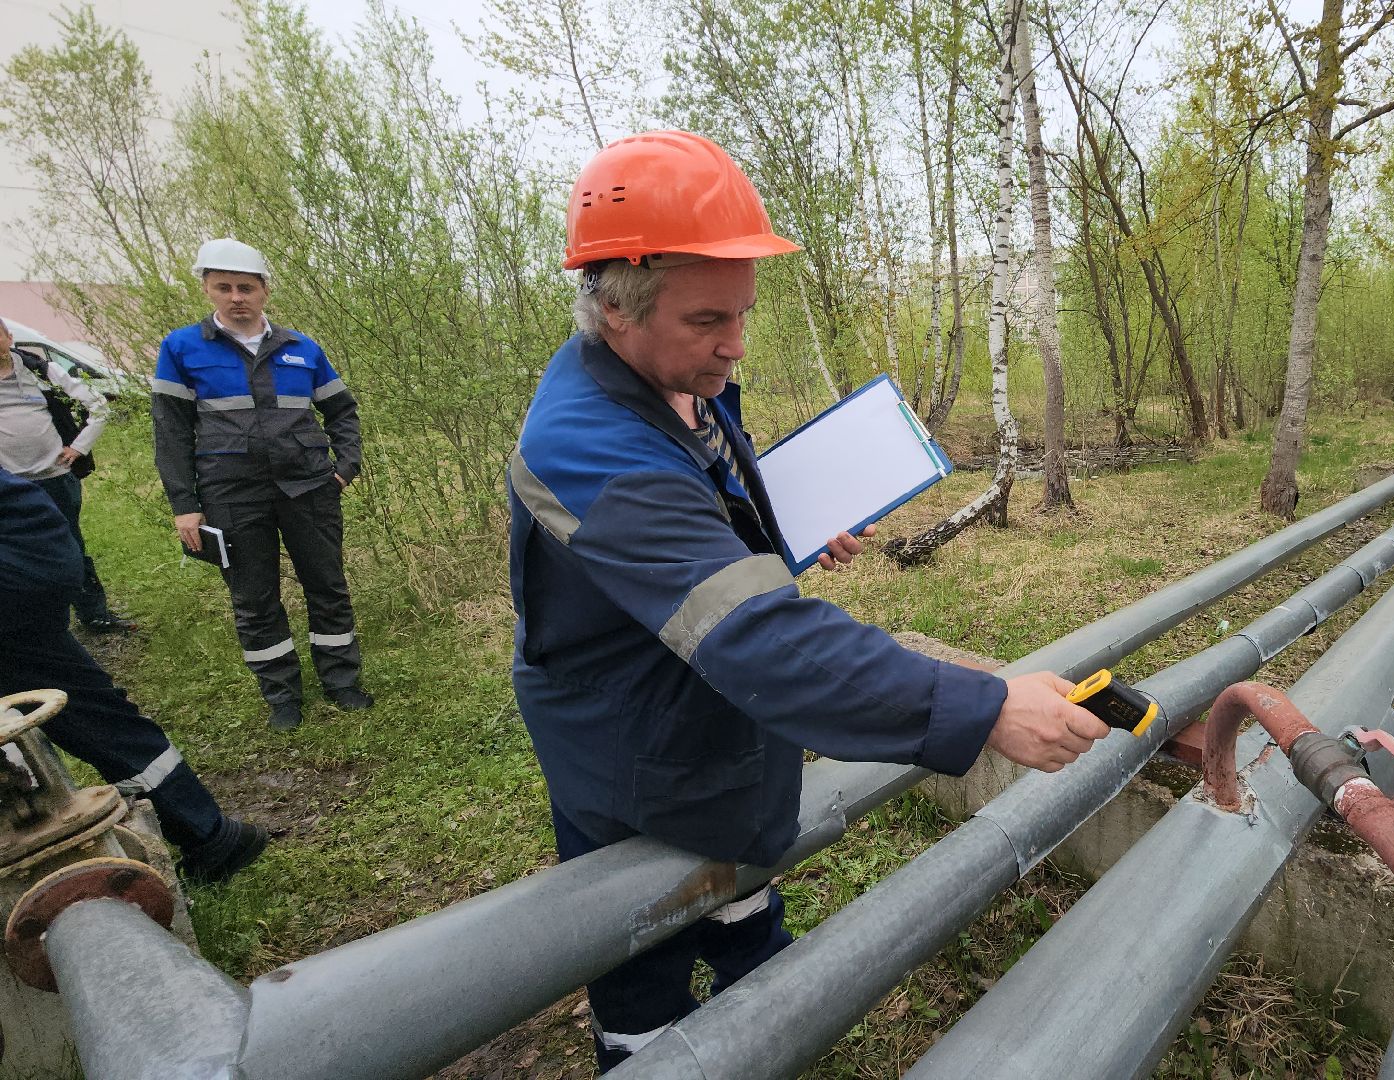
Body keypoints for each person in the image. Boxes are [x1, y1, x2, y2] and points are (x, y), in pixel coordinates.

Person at [509, 131, 1110, 1072]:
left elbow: (702, 522)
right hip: (636, 761)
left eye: (743, 315)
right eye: (711, 320)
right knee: (642, 955)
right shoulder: (589, 448)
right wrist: (983, 706)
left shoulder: (670, 378)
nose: (735, 347)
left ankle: (765, 1025)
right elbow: (757, 639)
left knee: (745, 908)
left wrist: (777, 532)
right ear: (617, 304)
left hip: (718, 741)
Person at [1, 467, 267, 884]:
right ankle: (206, 833)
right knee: (82, 712)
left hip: (18, 574)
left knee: (86, 715)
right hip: (28, 565)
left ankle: (206, 833)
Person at [151, 239, 371, 731]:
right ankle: (282, 696)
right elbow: (170, 431)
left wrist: (344, 468)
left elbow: (342, 411)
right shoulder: (183, 347)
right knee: (254, 598)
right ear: (207, 288)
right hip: (231, 495)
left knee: (328, 587)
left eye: (246, 287)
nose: (236, 297)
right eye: (223, 287)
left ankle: (342, 682)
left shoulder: (301, 348)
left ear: (264, 290)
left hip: (310, 488)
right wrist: (185, 504)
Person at [0, 318, 135, 633]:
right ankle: (35, 621)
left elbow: (99, 406)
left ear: (9, 337)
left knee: (70, 545)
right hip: (8, 486)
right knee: (15, 553)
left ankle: (94, 614)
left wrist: (79, 448)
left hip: (55, 478)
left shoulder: (40, 371)